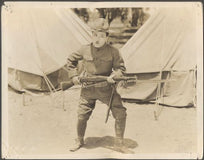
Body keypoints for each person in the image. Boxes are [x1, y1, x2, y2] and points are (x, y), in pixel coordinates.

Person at [67, 18, 127, 152]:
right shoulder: (84, 49)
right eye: (94, 35)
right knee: (82, 115)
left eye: (101, 36)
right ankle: (79, 140)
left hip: (107, 89)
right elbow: (70, 60)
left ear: (107, 37)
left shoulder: (114, 52)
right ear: (91, 35)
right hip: (88, 89)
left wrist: (114, 76)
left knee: (120, 113)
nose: (97, 39)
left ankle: (119, 143)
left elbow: (121, 69)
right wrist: (74, 76)